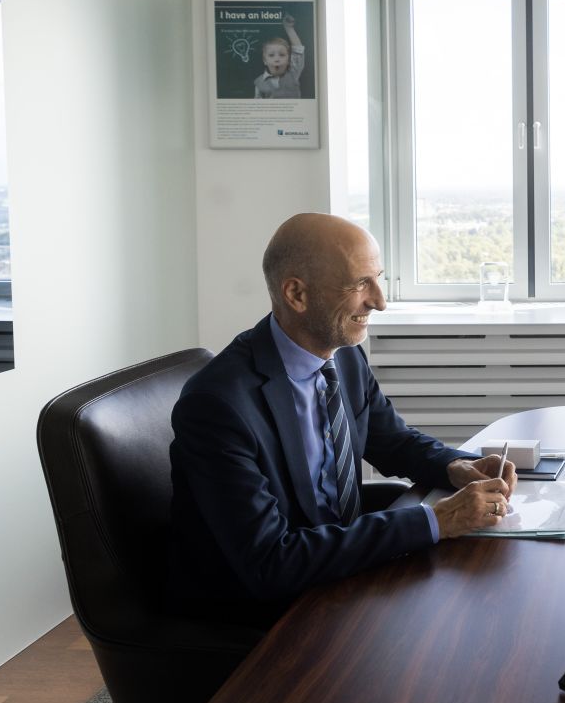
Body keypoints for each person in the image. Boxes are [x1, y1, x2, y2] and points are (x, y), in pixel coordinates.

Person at [167, 212, 513, 626]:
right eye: (360, 284)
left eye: (378, 279)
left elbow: (392, 440)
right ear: (297, 294)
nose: (380, 301)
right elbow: (270, 562)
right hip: (265, 613)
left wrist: (456, 466)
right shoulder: (218, 405)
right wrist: (438, 520)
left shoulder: (344, 356)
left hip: (337, 567)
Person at [252, 16, 305, 99]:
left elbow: (298, 51)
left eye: (282, 55)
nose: (277, 59)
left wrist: (289, 28)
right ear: (265, 60)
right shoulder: (259, 82)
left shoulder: (293, 73)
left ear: (288, 60)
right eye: (271, 55)